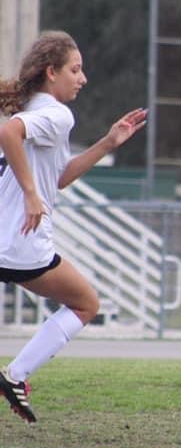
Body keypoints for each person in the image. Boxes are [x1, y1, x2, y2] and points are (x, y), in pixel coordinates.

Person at [0, 30, 148, 423]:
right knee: (86, 304)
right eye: (75, 69)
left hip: (7, 238)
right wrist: (31, 195)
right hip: (22, 243)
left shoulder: (36, 109)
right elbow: (8, 132)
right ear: (51, 72)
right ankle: (15, 375)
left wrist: (107, 143)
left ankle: (14, 377)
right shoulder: (57, 114)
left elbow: (58, 179)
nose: (83, 78)